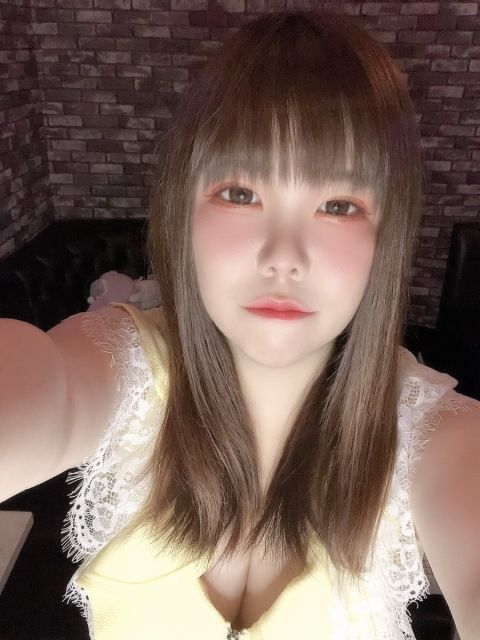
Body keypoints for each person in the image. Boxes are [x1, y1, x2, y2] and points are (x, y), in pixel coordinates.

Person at [1, 9, 479, 640]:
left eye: (338, 205)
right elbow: (38, 383)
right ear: (186, 209)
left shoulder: (438, 439)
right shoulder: (126, 369)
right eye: (241, 194)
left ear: (384, 238)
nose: (283, 256)